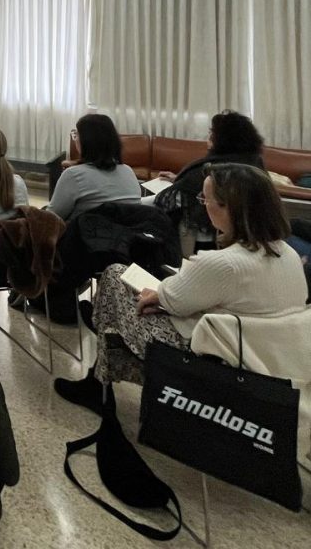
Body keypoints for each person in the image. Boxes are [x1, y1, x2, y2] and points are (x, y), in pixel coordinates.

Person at [55, 163, 308, 411]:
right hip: (266, 358)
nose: (203, 205)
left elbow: (174, 300)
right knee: (128, 300)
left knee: (115, 277)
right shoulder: (288, 254)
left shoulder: (223, 263)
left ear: (228, 207)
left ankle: (98, 382)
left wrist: (161, 298)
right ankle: (98, 376)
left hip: (209, 359)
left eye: (205, 199)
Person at [153, 110, 265, 247]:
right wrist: (178, 179)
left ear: (222, 139)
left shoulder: (213, 168)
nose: (209, 137)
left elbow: (172, 199)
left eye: (212, 133)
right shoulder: (253, 161)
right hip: (251, 233)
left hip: (207, 237)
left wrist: (181, 184)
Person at [46, 114, 141, 221]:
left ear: (86, 141)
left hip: (84, 231)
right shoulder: (128, 171)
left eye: (76, 134)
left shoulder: (73, 175)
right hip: (127, 230)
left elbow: (51, 219)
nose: (75, 139)